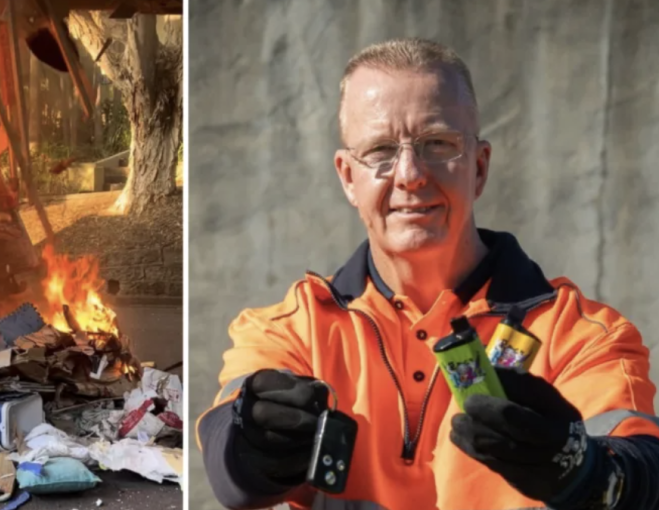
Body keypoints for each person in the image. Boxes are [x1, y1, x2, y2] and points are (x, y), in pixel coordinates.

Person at [196, 38, 659, 510]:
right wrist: (256, 445)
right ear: (347, 177)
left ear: (479, 167)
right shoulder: (292, 330)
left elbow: (640, 472)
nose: (410, 174)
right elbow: (228, 466)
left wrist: (581, 471)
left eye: (437, 143)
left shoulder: (580, 335)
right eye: (379, 150)